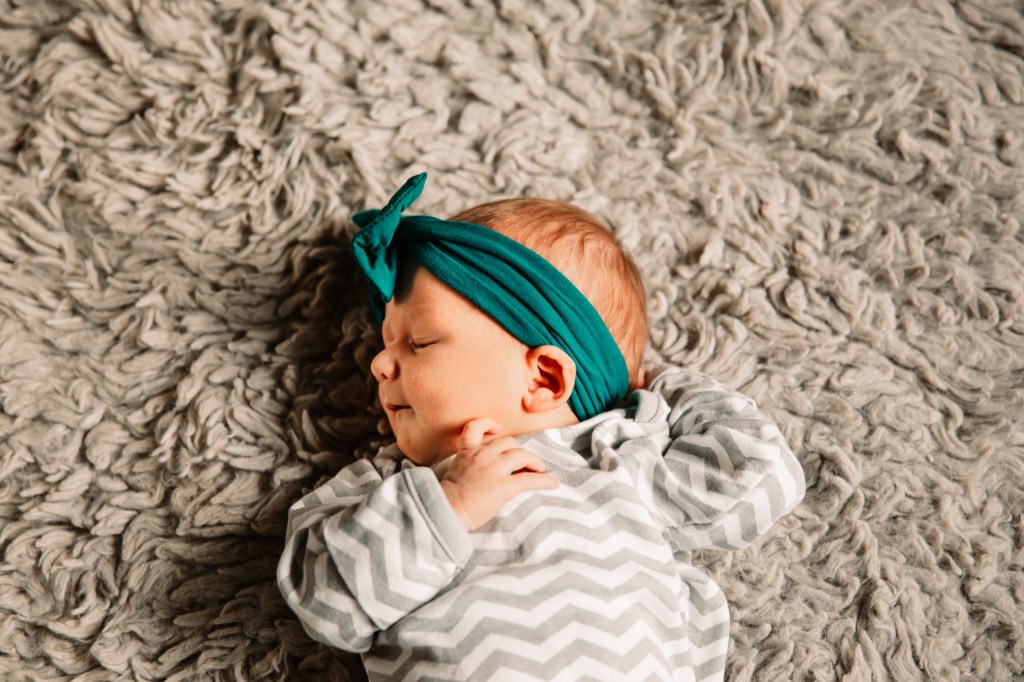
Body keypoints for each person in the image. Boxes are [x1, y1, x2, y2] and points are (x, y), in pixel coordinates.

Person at [277, 173, 805, 681]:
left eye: (418, 342)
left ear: (546, 378)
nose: (379, 364)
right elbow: (325, 601)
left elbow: (762, 473)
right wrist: (447, 504)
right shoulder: (387, 485)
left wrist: (662, 383)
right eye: (386, 343)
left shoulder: (620, 458)